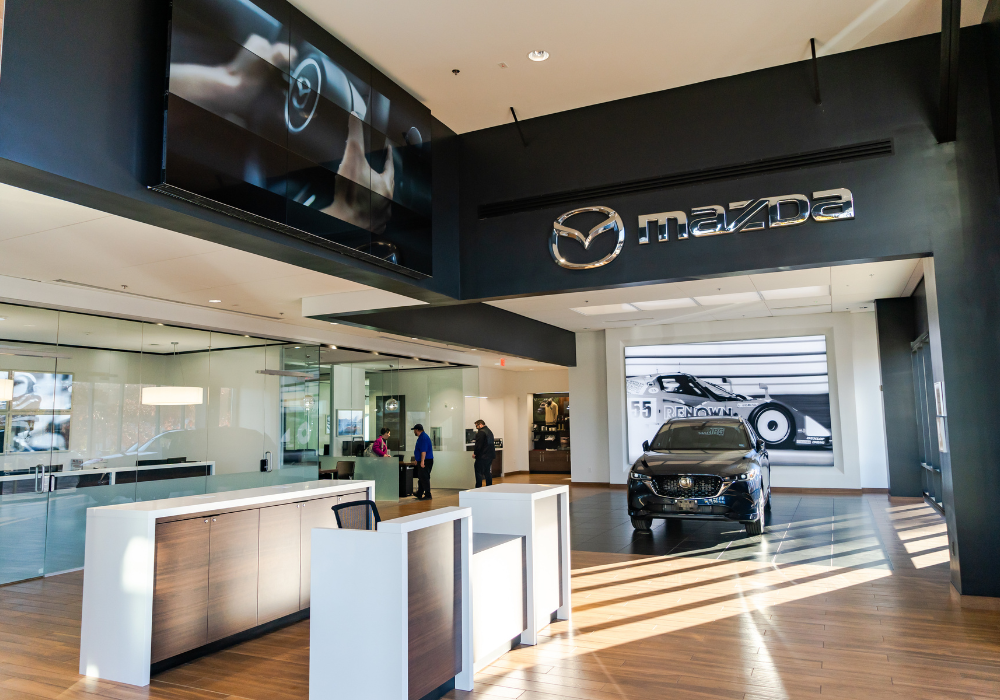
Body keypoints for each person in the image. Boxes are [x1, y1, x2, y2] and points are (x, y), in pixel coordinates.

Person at [412, 424, 434, 499]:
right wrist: (417, 460)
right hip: (424, 460)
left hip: (426, 460)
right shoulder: (421, 437)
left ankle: (428, 495)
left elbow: (423, 451)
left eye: (414, 430)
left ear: (417, 430)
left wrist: (422, 461)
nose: (414, 432)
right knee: (421, 477)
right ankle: (420, 493)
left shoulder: (423, 438)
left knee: (424, 477)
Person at [472, 420, 496, 488]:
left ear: (480, 424)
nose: (476, 427)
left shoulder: (481, 432)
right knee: (487, 472)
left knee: (478, 472)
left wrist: (475, 453)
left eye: (476, 426)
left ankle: (478, 488)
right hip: (490, 455)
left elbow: (479, 445)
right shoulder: (489, 431)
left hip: (482, 456)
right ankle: (489, 486)